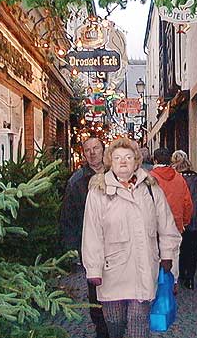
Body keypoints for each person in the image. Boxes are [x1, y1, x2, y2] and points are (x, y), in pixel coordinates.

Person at [82, 137, 181, 338]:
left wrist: (168, 256)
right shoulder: (99, 191)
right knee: (114, 326)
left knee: (138, 323)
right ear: (110, 161)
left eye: (128, 157)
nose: (123, 161)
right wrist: (93, 268)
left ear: (136, 161)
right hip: (111, 271)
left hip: (143, 267)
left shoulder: (151, 189)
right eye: (117, 157)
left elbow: (167, 226)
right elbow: (91, 233)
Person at [59, 137, 108, 338]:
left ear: (103, 149)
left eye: (96, 148)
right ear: (84, 154)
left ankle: (116, 323)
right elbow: (67, 217)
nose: (92, 152)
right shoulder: (76, 181)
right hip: (89, 245)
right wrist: (72, 249)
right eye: (88, 150)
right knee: (95, 289)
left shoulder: (116, 173)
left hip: (117, 244)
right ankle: (101, 328)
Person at [171, 150, 197, 290]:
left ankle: (182, 273)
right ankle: (190, 279)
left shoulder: (175, 180)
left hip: (179, 222)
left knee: (181, 249)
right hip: (195, 223)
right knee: (192, 250)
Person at [150, 148, 193, 284]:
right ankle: (171, 286)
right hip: (175, 224)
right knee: (173, 258)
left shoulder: (149, 178)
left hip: (153, 226)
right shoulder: (179, 178)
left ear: (155, 160)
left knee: (153, 259)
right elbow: (187, 203)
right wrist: (184, 221)